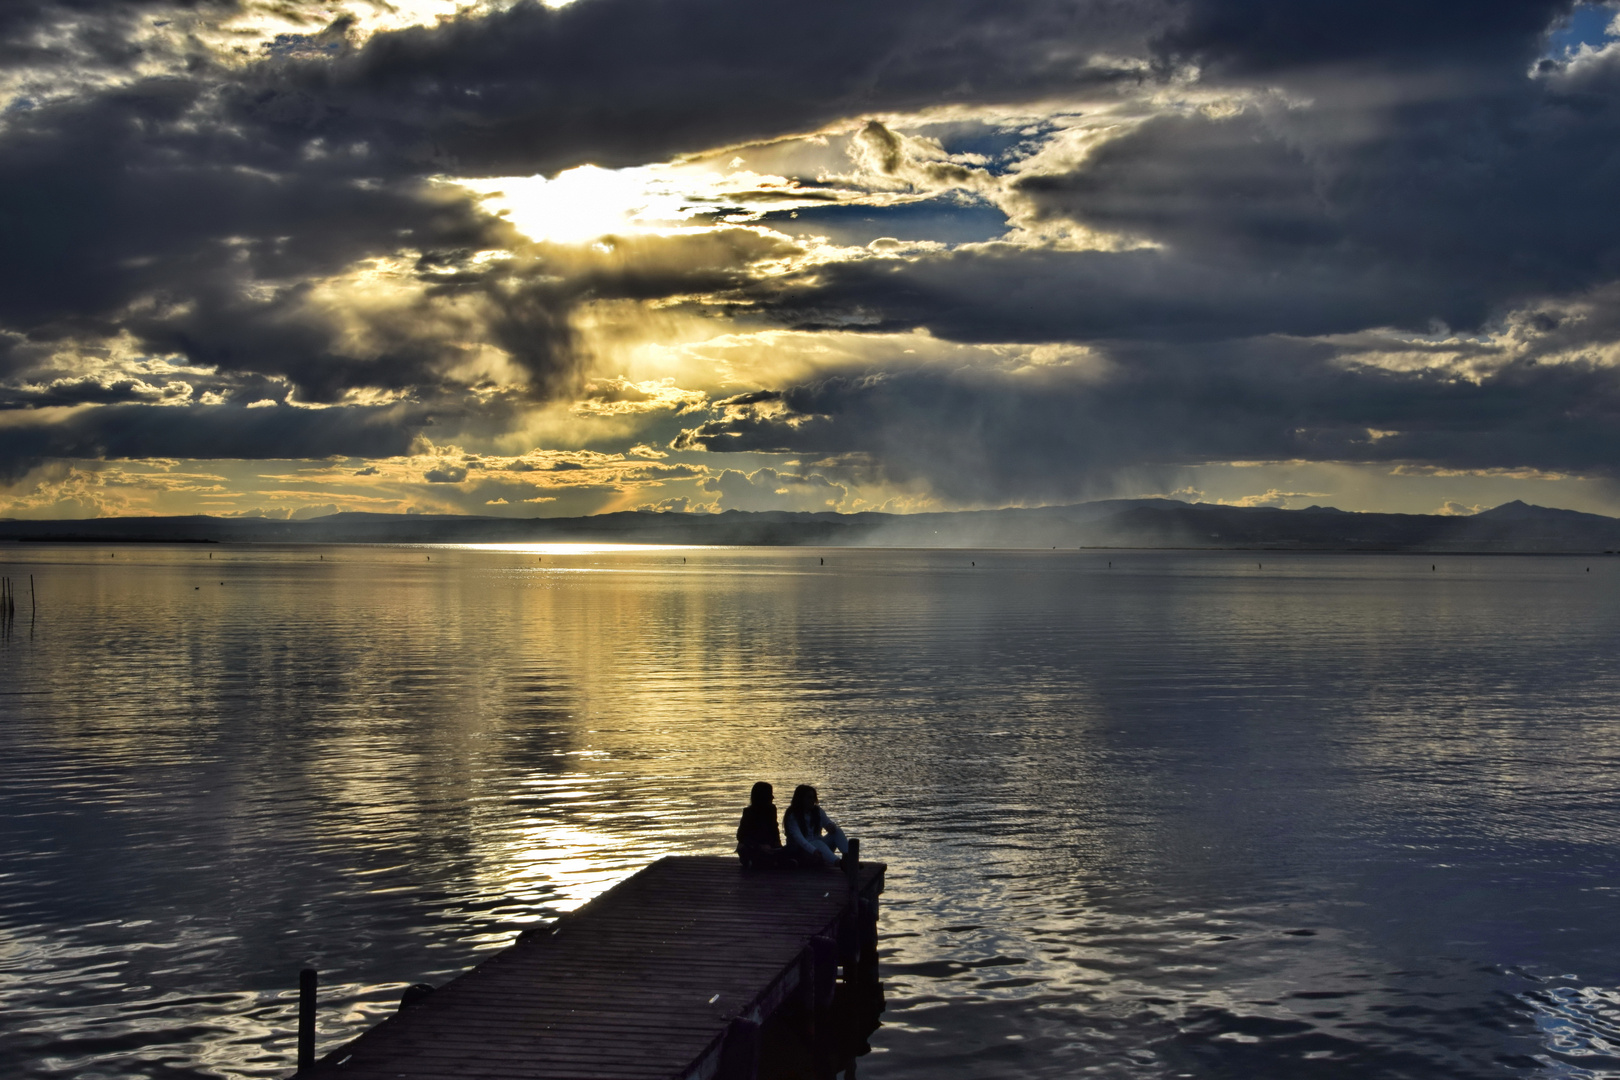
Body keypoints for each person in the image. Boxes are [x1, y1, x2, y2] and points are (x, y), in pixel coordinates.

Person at [784, 784, 849, 868]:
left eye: (813, 797)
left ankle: (849, 858)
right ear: (801, 799)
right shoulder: (792, 815)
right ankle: (839, 863)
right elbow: (799, 839)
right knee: (817, 842)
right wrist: (814, 850)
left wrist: (830, 826)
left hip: (819, 849)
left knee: (837, 831)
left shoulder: (817, 811)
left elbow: (827, 822)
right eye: (809, 797)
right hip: (802, 851)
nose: (813, 800)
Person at [736, 781, 787, 869]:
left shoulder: (771, 809)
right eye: (770, 794)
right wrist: (759, 846)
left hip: (769, 845)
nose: (772, 797)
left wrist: (777, 844)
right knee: (747, 849)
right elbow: (741, 836)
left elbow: (774, 829)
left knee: (786, 851)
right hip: (753, 845)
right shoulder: (749, 812)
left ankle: (769, 860)